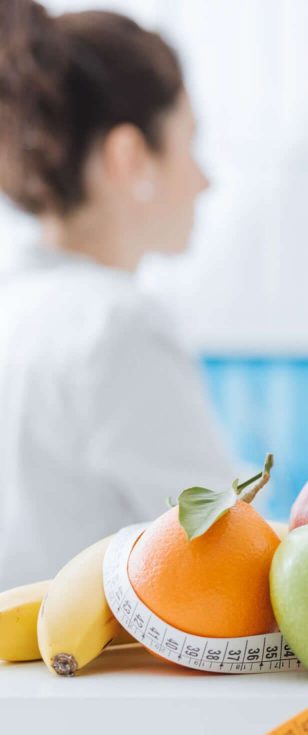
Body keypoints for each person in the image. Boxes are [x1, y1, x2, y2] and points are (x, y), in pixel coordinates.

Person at [0, 0, 236, 589]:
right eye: (189, 142)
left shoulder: (17, 304)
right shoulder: (115, 327)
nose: (205, 180)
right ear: (130, 156)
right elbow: (228, 553)